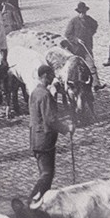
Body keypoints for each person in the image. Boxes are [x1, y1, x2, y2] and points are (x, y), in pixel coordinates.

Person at [28, 64, 74, 203]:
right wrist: (67, 128)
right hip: (45, 140)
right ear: (45, 76)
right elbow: (51, 120)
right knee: (47, 174)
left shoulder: (35, 92)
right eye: (51, 75)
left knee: (45, 173)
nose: (53, 77)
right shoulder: (45, 95)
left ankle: (40, 202)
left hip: (35, 138)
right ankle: (32, 201)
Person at [64, 2, 104, 89]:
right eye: (81, 12)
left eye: (84, 12)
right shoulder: (73, 21)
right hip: (76, 49)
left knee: (91, 65)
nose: (83, 14)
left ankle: (96, 84)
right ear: (78, 12)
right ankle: (77, 84)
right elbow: (67, 34)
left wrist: (90, 34)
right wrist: (77, 40)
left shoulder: (89, 20)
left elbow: (95, 25)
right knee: (77, 67)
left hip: (87, 47)